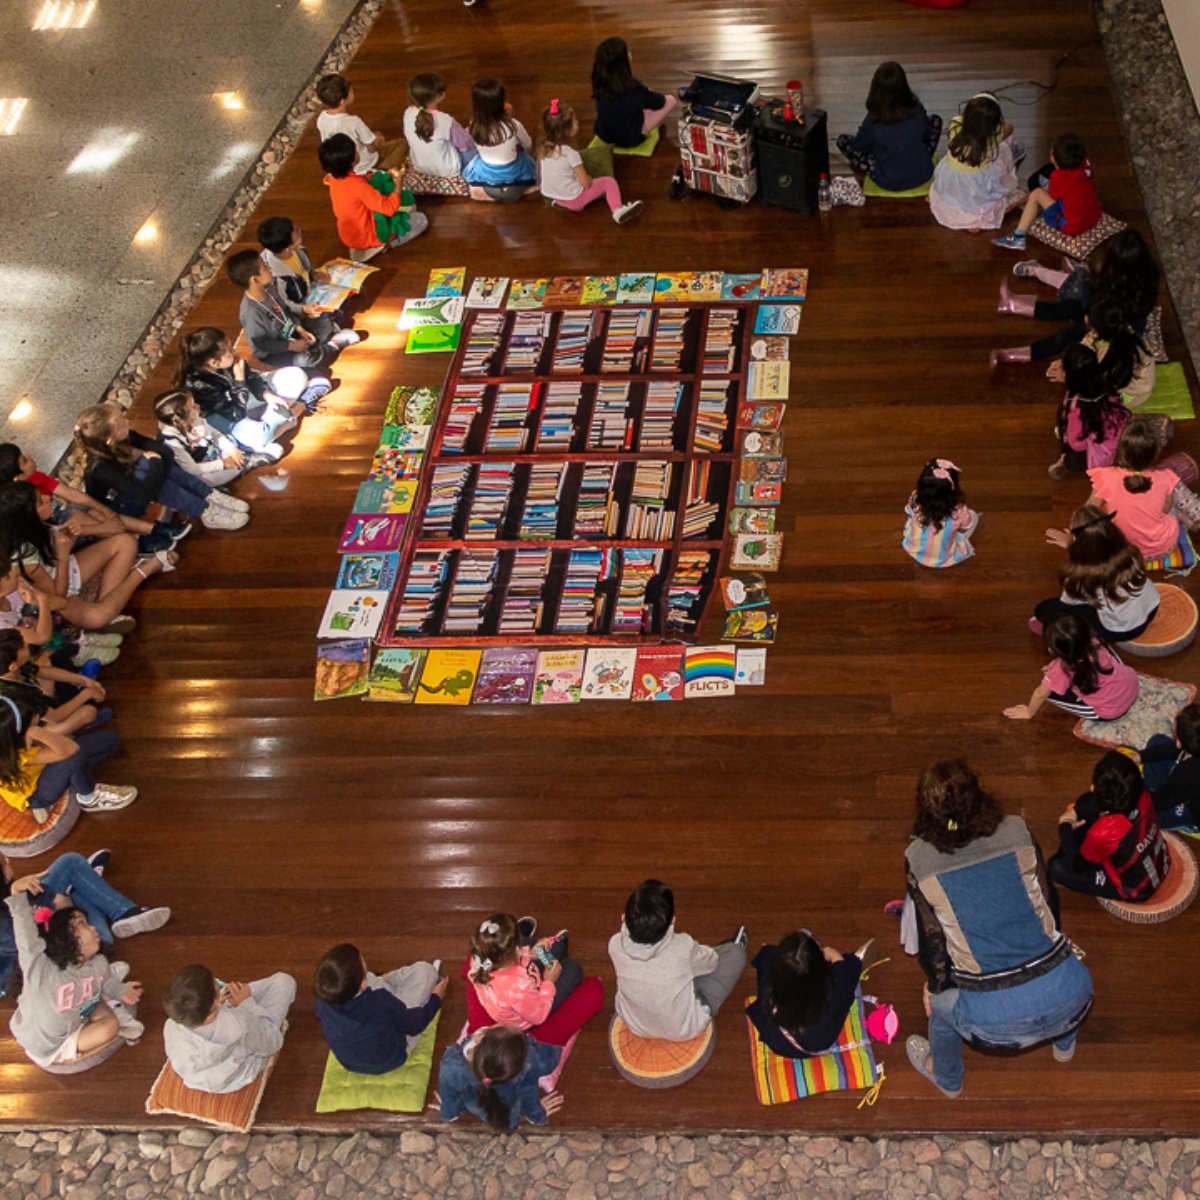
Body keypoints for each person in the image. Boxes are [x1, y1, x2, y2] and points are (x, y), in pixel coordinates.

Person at [905, 760, 1093, 1098]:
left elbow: (932, 943)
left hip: (994, 1025)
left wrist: (935, 989)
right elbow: (1048, 902)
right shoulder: (1015, 829)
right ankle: (1064, 1044)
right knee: (1059, 986)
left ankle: (947, 1078)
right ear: (979, 795)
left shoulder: (920, 859)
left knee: (940, 1013)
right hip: (1074, 994)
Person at [0, 480, 173, 633]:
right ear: (26, 516)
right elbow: (59, 597)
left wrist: (83, 531)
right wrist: (63, 556)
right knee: (97, 618)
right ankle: (144, 570)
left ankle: (108, 604)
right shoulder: (25, 559)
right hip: (59, 593)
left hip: (66, 568)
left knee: (125, 542)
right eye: (40, 502)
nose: (47, 498)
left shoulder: (32, 527)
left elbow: (61, 540)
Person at [5, 889, 146, 1069]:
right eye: (82, 924)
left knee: (104, 1007)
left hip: (75, 1017)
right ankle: (107, 1003)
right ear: (65, 936)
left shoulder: (98, 963)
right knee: (109, 1026)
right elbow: (27, 940)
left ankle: (105, 998)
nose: (94, 928)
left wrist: (120, 990)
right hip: (49, 1046)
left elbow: (107, 981)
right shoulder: (44, 970)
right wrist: (18, 900)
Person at [0, 847, 168, 993]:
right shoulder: (6, 930)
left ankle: (89, 883)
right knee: (98, 939)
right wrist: (22, 898)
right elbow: (32, 943)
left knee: (70, 863)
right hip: (47, 958)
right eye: (4, 862)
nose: (8, 860)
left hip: (37, 922)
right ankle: (92, 885)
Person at [992, 229, 1161, 367]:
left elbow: (1094, 307)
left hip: (1113, 329)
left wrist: (1086, 279)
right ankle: (1012, 304)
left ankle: (1010, 355)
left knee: (1068, 334)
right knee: (1069, 307)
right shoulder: (1147, 279)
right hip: (1112, 318)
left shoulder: (1113, 283)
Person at [608, 879, 747, 1042]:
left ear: (623, 917)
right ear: (672, 921)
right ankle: (732, 945)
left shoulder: (614, 944)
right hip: (684, 1028)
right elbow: (712, 963)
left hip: (635, 1023)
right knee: (734, 954)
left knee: (682, 969)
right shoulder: (683, 946)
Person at [75, 403, 248, 532]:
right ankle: (204, 511)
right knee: (154, 475)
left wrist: (156, 462)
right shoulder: (100, 470)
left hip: (138, 488)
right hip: (121, 506)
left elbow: (165, 452)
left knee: (156, 468)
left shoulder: (123, 438)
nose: (127, 422)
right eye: (121, 423)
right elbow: (147, 492)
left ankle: (207, 494)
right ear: (109, 440)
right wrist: (155, 463)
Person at [177, 327, 323, 460]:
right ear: (214, 362)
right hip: (228, 416)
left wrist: (267, 395)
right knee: (261, 436)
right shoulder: (200, 386)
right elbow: (235, 414)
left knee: (296, 375)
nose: (234, 352)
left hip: (244, 398)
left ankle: (279, 419)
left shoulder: (229, 362)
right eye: (229, 351)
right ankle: (294, 412)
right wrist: (239, 380)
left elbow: (253, 378)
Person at [464, 913, 604, 1047]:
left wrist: (528, 954)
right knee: (574, 969)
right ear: (510, 955)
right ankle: (561, 954)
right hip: (532, 1010)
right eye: (519, 943)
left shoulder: (479, 960)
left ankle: (559, 950)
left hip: (523, 981)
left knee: (554, 948)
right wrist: (549, 982)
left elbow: (513, 961)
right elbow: (539, 1015)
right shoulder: (517, 990)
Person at [1049, 751, 1168, 900]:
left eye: (1095, 785)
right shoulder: (1144, 795)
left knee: (1056, 867)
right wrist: (1078, 811)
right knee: (1085, 801)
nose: (1092, 787)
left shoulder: (1103, 833)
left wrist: (1065, 827)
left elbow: (1078, 864)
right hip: (1157, 861)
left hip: (1135, 889)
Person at [315, 943, 447, 1074]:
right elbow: (414, 1024)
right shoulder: (379, 1002)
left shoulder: (324, 1003)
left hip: (352, 1063)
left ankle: (387, 979)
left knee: (372, 977)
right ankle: (390, 978)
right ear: (362, 984)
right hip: (392, 1057)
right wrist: (436, 998)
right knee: (425, 971)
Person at [162, 964, 296, 1094]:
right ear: (214, 1003)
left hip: (199, 1077)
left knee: (236, 994)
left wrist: (218, 1005)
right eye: (215, 982)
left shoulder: (172, 1023)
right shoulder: (240, 1023)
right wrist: (246, 1003)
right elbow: (272, 1043)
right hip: (237, 1076)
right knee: (284, 982)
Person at [1035, 506, 1159, 643]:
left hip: (1119, 630)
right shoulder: (1132, 554)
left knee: (1044, 609)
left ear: (1077, 541)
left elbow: (1069, 601)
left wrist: (1072, 547)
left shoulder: (1079, 575)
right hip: (1150, 607)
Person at [746, 931, 876, 1058]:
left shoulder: (769, 981)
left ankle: (800, 955)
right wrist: (836, 958)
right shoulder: (830, 992)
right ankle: (852, 961)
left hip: (777, 1042)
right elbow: (844, 990)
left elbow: (765, 955)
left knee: (773, 956)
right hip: (815, 1043)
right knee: (847, 975)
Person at [0, 695, 135, 818]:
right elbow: (72, 750)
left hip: (45, 765)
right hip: (36, 794)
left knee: (109, 739)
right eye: (35, 725)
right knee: (73, 758)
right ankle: (88, 798)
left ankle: (72, 776)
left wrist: (34, 732)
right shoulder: (16, 755)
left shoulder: (11, 741)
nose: (39, 724)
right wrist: (37, 732)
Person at [227, 249, 360, 367]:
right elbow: (261, 343)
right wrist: (291, 346)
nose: (269, 267)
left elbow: (285, 310)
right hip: (275, 349)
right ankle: (332, 345)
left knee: (324, 322)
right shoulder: (251, 312)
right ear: (255, 280)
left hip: (290, 330)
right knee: (304, 360)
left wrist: (300, 330)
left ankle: (317, 344)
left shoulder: (270, 288)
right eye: (265, 267)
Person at [1004, 610, 1139, 722]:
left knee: (1050, 694)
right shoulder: (1095, 640)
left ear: (1053, 649)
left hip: (1110, 711)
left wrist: (1029, 711)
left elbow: (1040, 694)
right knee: (1108, 658)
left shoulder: (1061, 669)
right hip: (1132, 683)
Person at [1087, 417, 1187, 560]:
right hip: (1162, 549)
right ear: (1155, 454)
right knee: (1171, 500)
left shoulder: (1105, 476)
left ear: (1121, 449)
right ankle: (1189, 517)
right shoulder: (1166, 477)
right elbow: (1165, 509)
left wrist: (1074, 535)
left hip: (1124, 551)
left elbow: (1089, 510)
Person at [317, 135, 429, 263]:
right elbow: (389, 209)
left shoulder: (333, 179)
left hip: (348, 234)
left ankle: (371, 246)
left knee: (412, 208)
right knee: (421, 220)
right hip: (368, 235)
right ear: (353, 162)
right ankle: (384, 245)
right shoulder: (358, 186)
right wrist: (398, 183)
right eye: (355, 151)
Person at [835, 61, 941, 192]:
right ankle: (916, 156)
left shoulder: (874, 119)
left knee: (843, 141)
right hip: (922, 174)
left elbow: (859, 147)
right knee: (935, 120)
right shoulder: (916, 108)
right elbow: (927, 132)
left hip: (887, 180)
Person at [437, 1025, 563, 1131]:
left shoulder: (451, 1065)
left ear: (479, 1039)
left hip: (476, 1108)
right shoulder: (528, 1062)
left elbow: (449, 1094)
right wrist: (536, 1115)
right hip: (511, 1115)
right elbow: (529, 1092)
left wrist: (449, 1112)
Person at [538, 99, 643, 224]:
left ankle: (562, 203)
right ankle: (617, 210)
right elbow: (586, 184)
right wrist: (588, 178)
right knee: (609, 182)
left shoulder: (543, 149)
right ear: (566, 130)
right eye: (575, 121)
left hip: (555, 196)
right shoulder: (571, 155)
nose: (578, 122)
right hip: (575, 199)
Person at [928, 93, 1022, 232]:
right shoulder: (994, 134)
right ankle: (974, 214)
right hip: (977, 184)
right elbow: (1009, 128)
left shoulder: (955, 124)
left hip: (952, 179)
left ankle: (950, 201)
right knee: (1004, 148)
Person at [993, 132, 1102, 251]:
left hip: (1071, 226)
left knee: (1036, 194)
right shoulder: (1084, 166)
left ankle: (1018, 237)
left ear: (1053, 158)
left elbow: (1052, 197)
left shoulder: (1058, 177)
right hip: (1093, 216)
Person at [0, 629, 108, 736]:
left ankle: (74, 695)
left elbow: (42, 672)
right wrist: (87, 694)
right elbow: (55, 717)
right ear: (13, 666)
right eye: (23, 647)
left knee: (47, 662)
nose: (27, 644)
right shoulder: (18, 696)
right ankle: (72, 732)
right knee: (88, 713)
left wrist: (83, 680)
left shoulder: (12, 668)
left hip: (39, 707)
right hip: (30, 732)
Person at [1047, 342, 1131, 478]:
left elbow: (1077, 445)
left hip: (1099, 452)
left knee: (1072, 458)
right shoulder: (1107, 387)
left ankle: (1064, 459)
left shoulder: (1075, 406)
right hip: (1119, 441)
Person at [591, 38, 676, 150]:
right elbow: (660, 102)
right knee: (670, 100)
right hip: (631, 138)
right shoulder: (634, 88)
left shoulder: (600, 83)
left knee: (632, 105)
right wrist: (647, 92)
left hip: (604, 135)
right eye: (628, 51)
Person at [153, 391, 250, 490]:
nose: (197, 406)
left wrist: (231, 449)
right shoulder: (171, 442)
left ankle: (240, 462)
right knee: (201, 480)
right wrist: (223, 464)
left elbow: (213, 432)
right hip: (196, 467)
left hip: (209, 451)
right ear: (181, 419)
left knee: (230, 443)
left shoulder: (191, 419)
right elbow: (192, 469)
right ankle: (241, 465)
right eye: (192, 407)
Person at [314, 73, 407, 175]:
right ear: (342, 101)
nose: (353, 92)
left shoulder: (321, 118)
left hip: (342, 164)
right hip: (366, 163)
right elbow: (371, 148)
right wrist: (377, 140)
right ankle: (381, 173)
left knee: (378, 135)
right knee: (401, 144)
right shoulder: (354, 122)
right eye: (351, 91)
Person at [462, 79, 537, 201]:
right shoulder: (513, 124)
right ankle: (512, 188)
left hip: (485, 171)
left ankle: (488, 189)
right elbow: (528, 144)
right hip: (512, 169)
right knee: (529, 163)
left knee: (473, 162)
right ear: (501, 102)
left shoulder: (474, 124)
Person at [901, 458, 980, 568]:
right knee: (973, 516)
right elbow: (968, 526)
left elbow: (907, 510)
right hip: (944, 558)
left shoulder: (916, 499)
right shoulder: (958, 510)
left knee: (913, 519)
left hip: (914, 551)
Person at [1137, 703, 1200, 830]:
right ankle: (1152, 787)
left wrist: (1133, 785)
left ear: (1180, 742)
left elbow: (1161, 802)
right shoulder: (1192, 750)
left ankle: (1189, 824)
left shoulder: (1187, 772)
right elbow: (1173, 749)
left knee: (1144, 817)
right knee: (1157, 741)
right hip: (1181, 786)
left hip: (1192, 810)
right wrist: (1140, 757)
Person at [403, 73, 476, 179]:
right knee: (475, 146)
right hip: (448, 169)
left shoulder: (408, 113)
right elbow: (465, 145)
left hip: (420, 166)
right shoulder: (445, 120)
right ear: (438, 96)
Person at [256, 216, 320, 310]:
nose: (300, 233)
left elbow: (306, 269)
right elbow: (282, 303)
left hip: (309, 289)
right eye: (298, 235)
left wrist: (313, 275)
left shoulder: (297, 250)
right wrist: (302, 309)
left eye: (297, 229)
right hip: (301, 306)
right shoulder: (276, 278)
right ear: (287, 248)